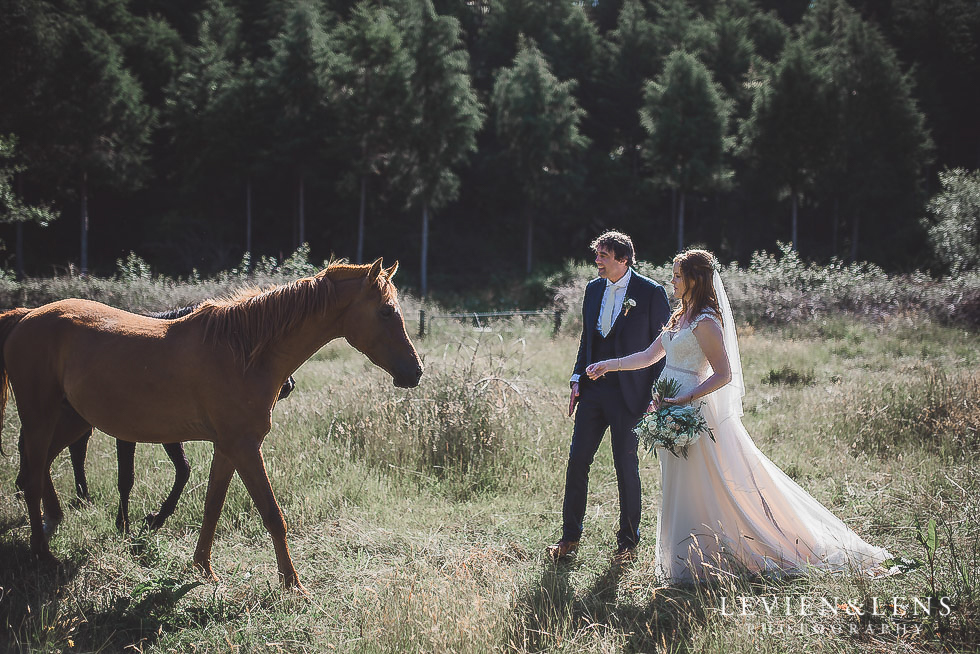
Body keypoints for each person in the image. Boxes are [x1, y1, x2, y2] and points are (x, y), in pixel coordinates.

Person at [586, 249, 891, 583]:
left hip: (692, 412)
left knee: (708, 484)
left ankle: (729, 552)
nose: (671, 281)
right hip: (668, 409)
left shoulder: (705, 322)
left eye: (676, 276)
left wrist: (685, 398)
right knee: (680, 484)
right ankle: (687, 558)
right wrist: (608, 366)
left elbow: (723, 374)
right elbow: (648, 355)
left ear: (693, 280)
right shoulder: (680, 316)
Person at [548, 231, 672, 562]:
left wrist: (655, 395)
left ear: (623, 259)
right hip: (593, 392)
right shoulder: (592, 290)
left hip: (631, 396)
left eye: (604, 256)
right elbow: (587, 340)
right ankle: (569, 538)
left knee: (625, 468)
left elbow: (665, 349)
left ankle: (628, 544)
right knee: (577, 463)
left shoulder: (651, 293)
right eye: (598, 255)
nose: (597, 261)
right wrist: (576, 379)